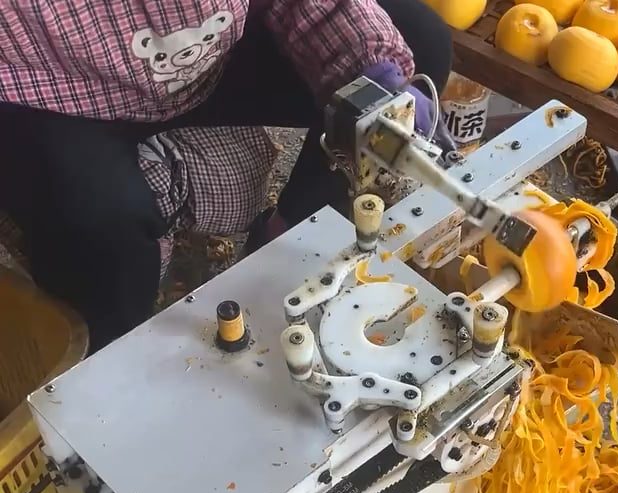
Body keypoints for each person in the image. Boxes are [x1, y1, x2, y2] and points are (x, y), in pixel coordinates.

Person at [0, 0, 452, 352]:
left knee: (418, 42)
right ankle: (105, 370)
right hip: (52, 90)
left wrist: (373, 79)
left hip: (202, 56)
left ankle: (287, 251)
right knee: (99, 222)